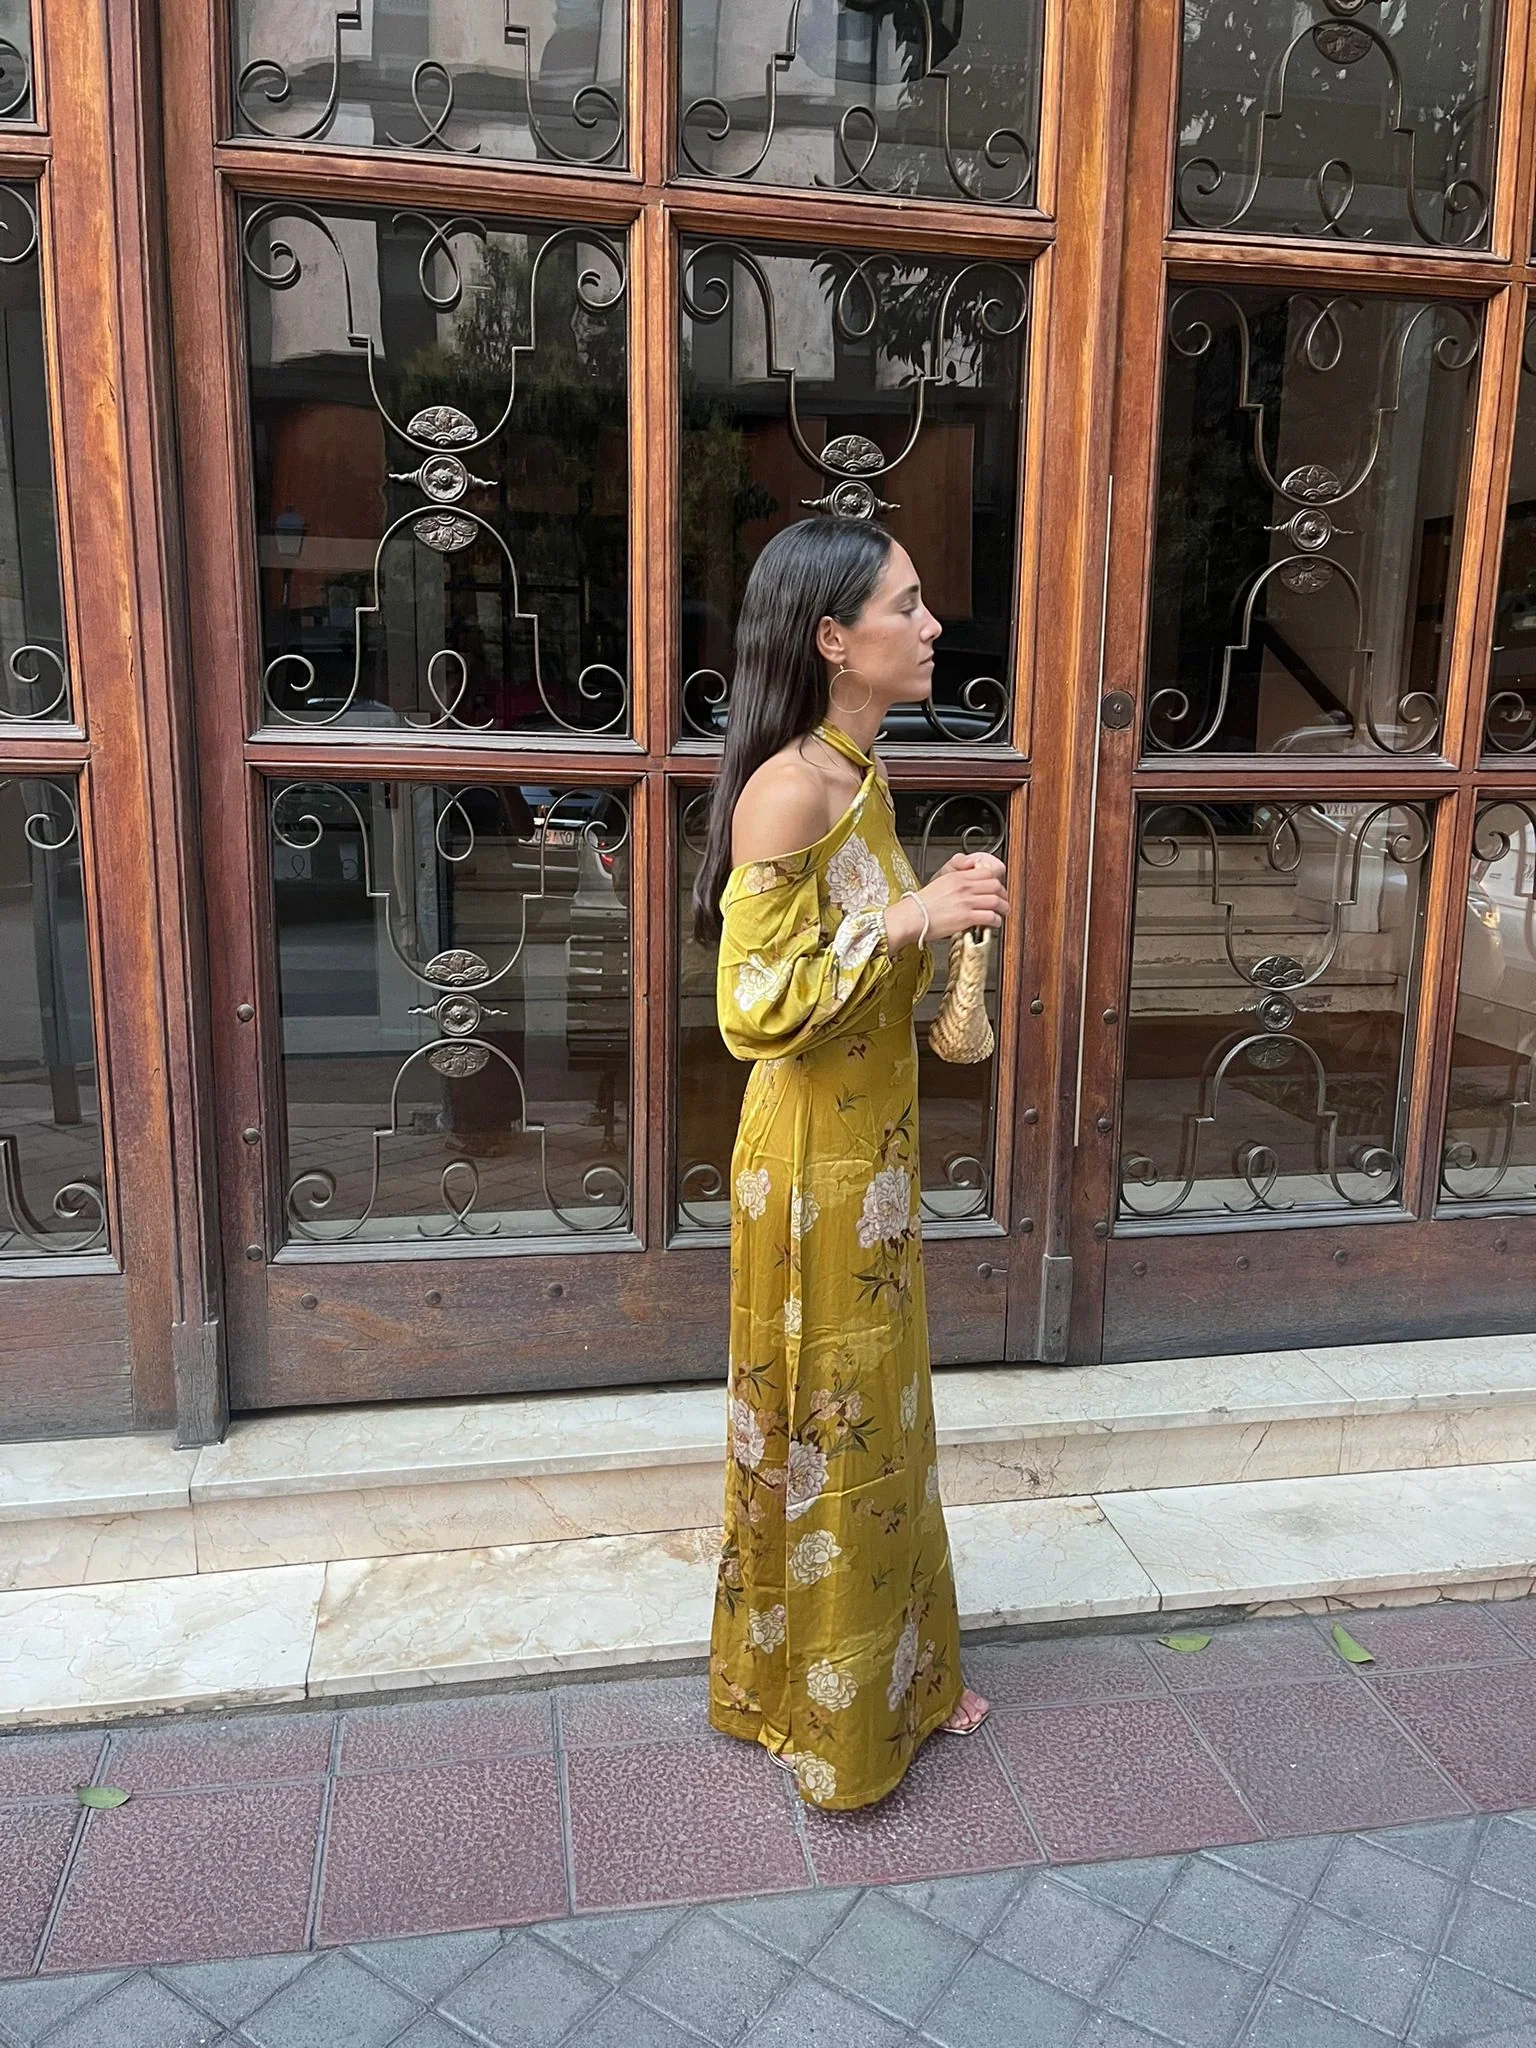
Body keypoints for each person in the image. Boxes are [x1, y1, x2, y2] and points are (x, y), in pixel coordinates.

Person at [692, 515, 1009, 1811]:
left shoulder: (859, 772)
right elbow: (749, 1007)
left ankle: (905, 1681)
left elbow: (856, 948)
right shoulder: (788, 788)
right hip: (809, 1170)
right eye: (907, 606)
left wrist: (935, 912)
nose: (932, 627)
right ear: (832, 639)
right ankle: (823, 1719)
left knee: (882, 1417)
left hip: (868, 1168)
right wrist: (914, 917)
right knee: (830, 1425)